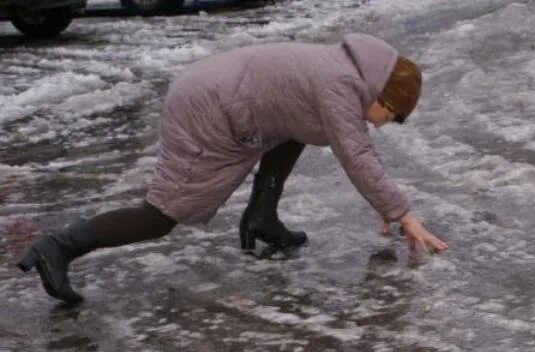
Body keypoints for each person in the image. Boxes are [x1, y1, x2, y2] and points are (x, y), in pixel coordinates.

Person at [18, 33, 448, 305]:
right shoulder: (340, 85)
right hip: (205, 106)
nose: (382, 122)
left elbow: (336, 137)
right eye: (389, 113)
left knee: (297, 126)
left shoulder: (343, 70)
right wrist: (402, 214)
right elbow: (357, 155)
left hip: (220, 92)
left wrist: (386, 204)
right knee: (163, 214)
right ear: (380, 92)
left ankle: (262, 216)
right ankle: (59, 246)